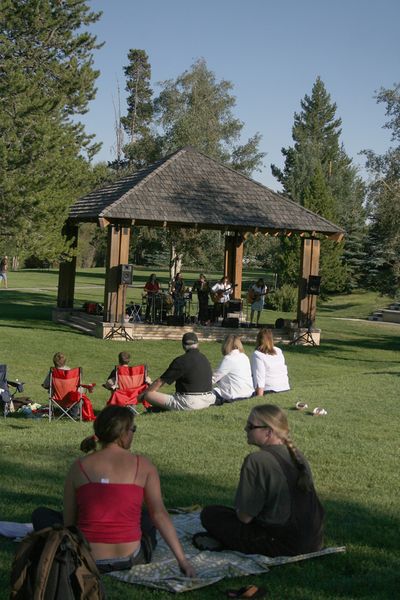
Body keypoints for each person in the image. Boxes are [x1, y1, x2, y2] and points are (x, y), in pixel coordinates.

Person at [32, 406, 196, 576]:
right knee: (148, 516)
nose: (133, 434)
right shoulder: (144, 465)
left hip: (86, 559)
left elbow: (69, 522)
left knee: (41, 515)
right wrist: (183, 561)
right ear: (124, 433)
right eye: (133, 429)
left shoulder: (79, 467)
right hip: (131, 558)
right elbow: (160, 515)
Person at [198, 404, 324, 556]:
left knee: (210, 514)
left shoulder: (257, 460)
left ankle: (226, 543)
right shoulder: (297, 455)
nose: (245, 429)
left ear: (268, 432)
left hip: (281, 543)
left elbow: (244, 517)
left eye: (251, 426)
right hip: (313, 541)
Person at [140, 332, 215, 411]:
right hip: (208, 400)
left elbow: (160, 382)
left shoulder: (180, 361)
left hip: (190, 402)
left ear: (183, 346)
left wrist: (142, 395)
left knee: (148, 395)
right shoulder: (204, 358)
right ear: (197, 344)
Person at [42, 352, 95, 421]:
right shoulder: (71, 372)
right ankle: (74, 414)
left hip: (57, 399)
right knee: (77, 392)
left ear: (54, 362)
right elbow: (79, 385)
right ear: (65, 361)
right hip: (72, 399)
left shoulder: (52, 372)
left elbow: (45, 385)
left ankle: (63, 411)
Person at [212, 335, 254, 404]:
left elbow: (214, 378)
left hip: (235, 395)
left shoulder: (228, 359)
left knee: (211, 392)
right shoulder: (244, 357)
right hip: (249, 393)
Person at [251, 329, 290, 394]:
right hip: (285, 387)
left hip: (270, 389)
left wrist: (259, 396)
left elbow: (259, 377)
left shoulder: (257, 355)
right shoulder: (278, 351)